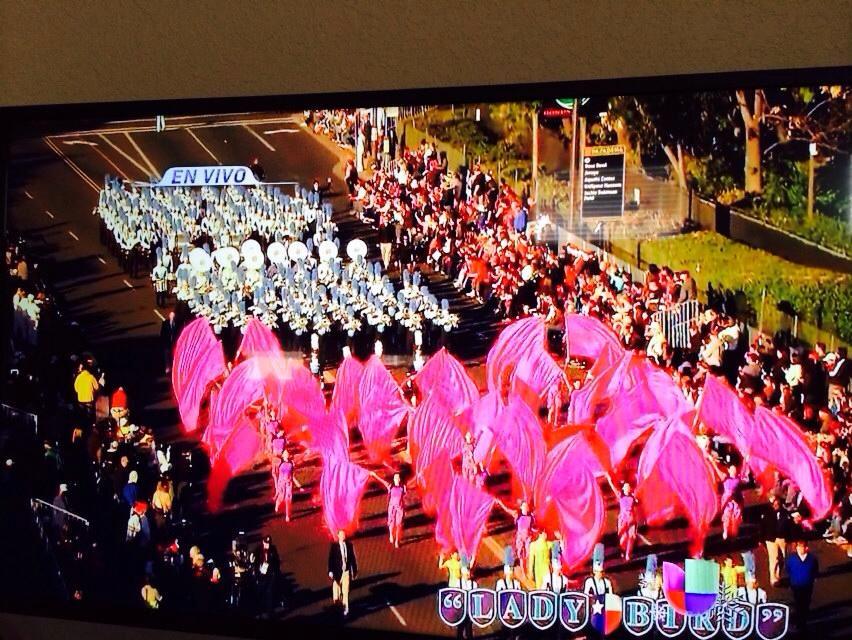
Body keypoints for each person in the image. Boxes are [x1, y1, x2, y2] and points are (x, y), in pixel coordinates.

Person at [785, 540, 819, 632]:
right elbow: (788, 569)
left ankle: (804, 619)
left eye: (802, 547)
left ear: (806, 548)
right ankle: (800, 622)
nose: (800, 549)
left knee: (806, 602)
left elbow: (815, 569)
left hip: (808, 585)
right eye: (798, 547)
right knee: (798, 602)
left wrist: (814, 578)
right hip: (796, 585)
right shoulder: (791, 559)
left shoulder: (812, 559)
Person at [759, 495, 790, 587]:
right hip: (770, 539)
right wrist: (761, 540)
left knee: (783, 558)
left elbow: (789, 526)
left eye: (777, 503)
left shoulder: (785, 513)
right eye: (774, 504)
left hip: (782, 538)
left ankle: (778, 575)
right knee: (774, 559)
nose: (776, 505)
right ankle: (773, 578)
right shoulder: (767, 514)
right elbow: (762, 527)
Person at [371, 471, 407, 548]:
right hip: (392, 507)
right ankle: (391, 534)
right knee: (391, 522)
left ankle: (397, 540)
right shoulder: (390, 486)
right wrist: (375, 475)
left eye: (398, 477)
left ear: (400, 479)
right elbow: (382, 481)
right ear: (393, 479)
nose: (397, 479)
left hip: (400, 507)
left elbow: (406, 493)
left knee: (399, 524)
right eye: (395, 477)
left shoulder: (403, 487)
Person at [328, 529, 357, 616]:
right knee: (336, 591)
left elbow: (352, 558)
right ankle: (336, 605)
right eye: (341, 535)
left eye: (344, 535)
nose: (343, 536)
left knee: (345, 590)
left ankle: (345, 607)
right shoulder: (334, 546)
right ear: (338, 536)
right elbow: (331, 559)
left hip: (346, 572)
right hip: (337, 571)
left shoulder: (349, 545)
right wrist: (330, 571)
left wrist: (354, 570)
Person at [273, 450, 302, 522]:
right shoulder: (279, 462)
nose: (286, 454)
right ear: (282, 455)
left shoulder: (292, 463)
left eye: (287, 453)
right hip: (281, 482)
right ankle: (277, 503)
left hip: (289, 483)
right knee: (282, 497)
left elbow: (292, 475)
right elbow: (274, 468)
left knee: (288, 499)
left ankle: (287, 516)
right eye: (285, 453)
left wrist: (298, 484)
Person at [617, 482, 639, 561]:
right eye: (626, 487)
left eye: (628, 486)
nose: (627, 488)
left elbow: (638, 503)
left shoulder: (633, 496)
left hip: (631, 518)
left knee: (632, 536)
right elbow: (613, 486)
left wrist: (636, 499)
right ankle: (623, 549)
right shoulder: (620, 496)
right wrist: (609, 479)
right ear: (623, 489)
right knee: (624, 538)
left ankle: (628, 554)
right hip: (623, 519)